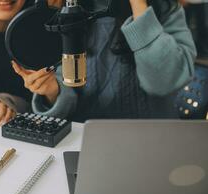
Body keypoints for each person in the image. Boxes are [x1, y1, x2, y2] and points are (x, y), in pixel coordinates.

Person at [13, 0, 197, 122]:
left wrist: (139, 6)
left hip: (154, 141)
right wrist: (52, 91)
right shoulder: (64, 10)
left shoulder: (165, 7)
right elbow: (66, 91)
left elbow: (163, 83)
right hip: (85, 141)